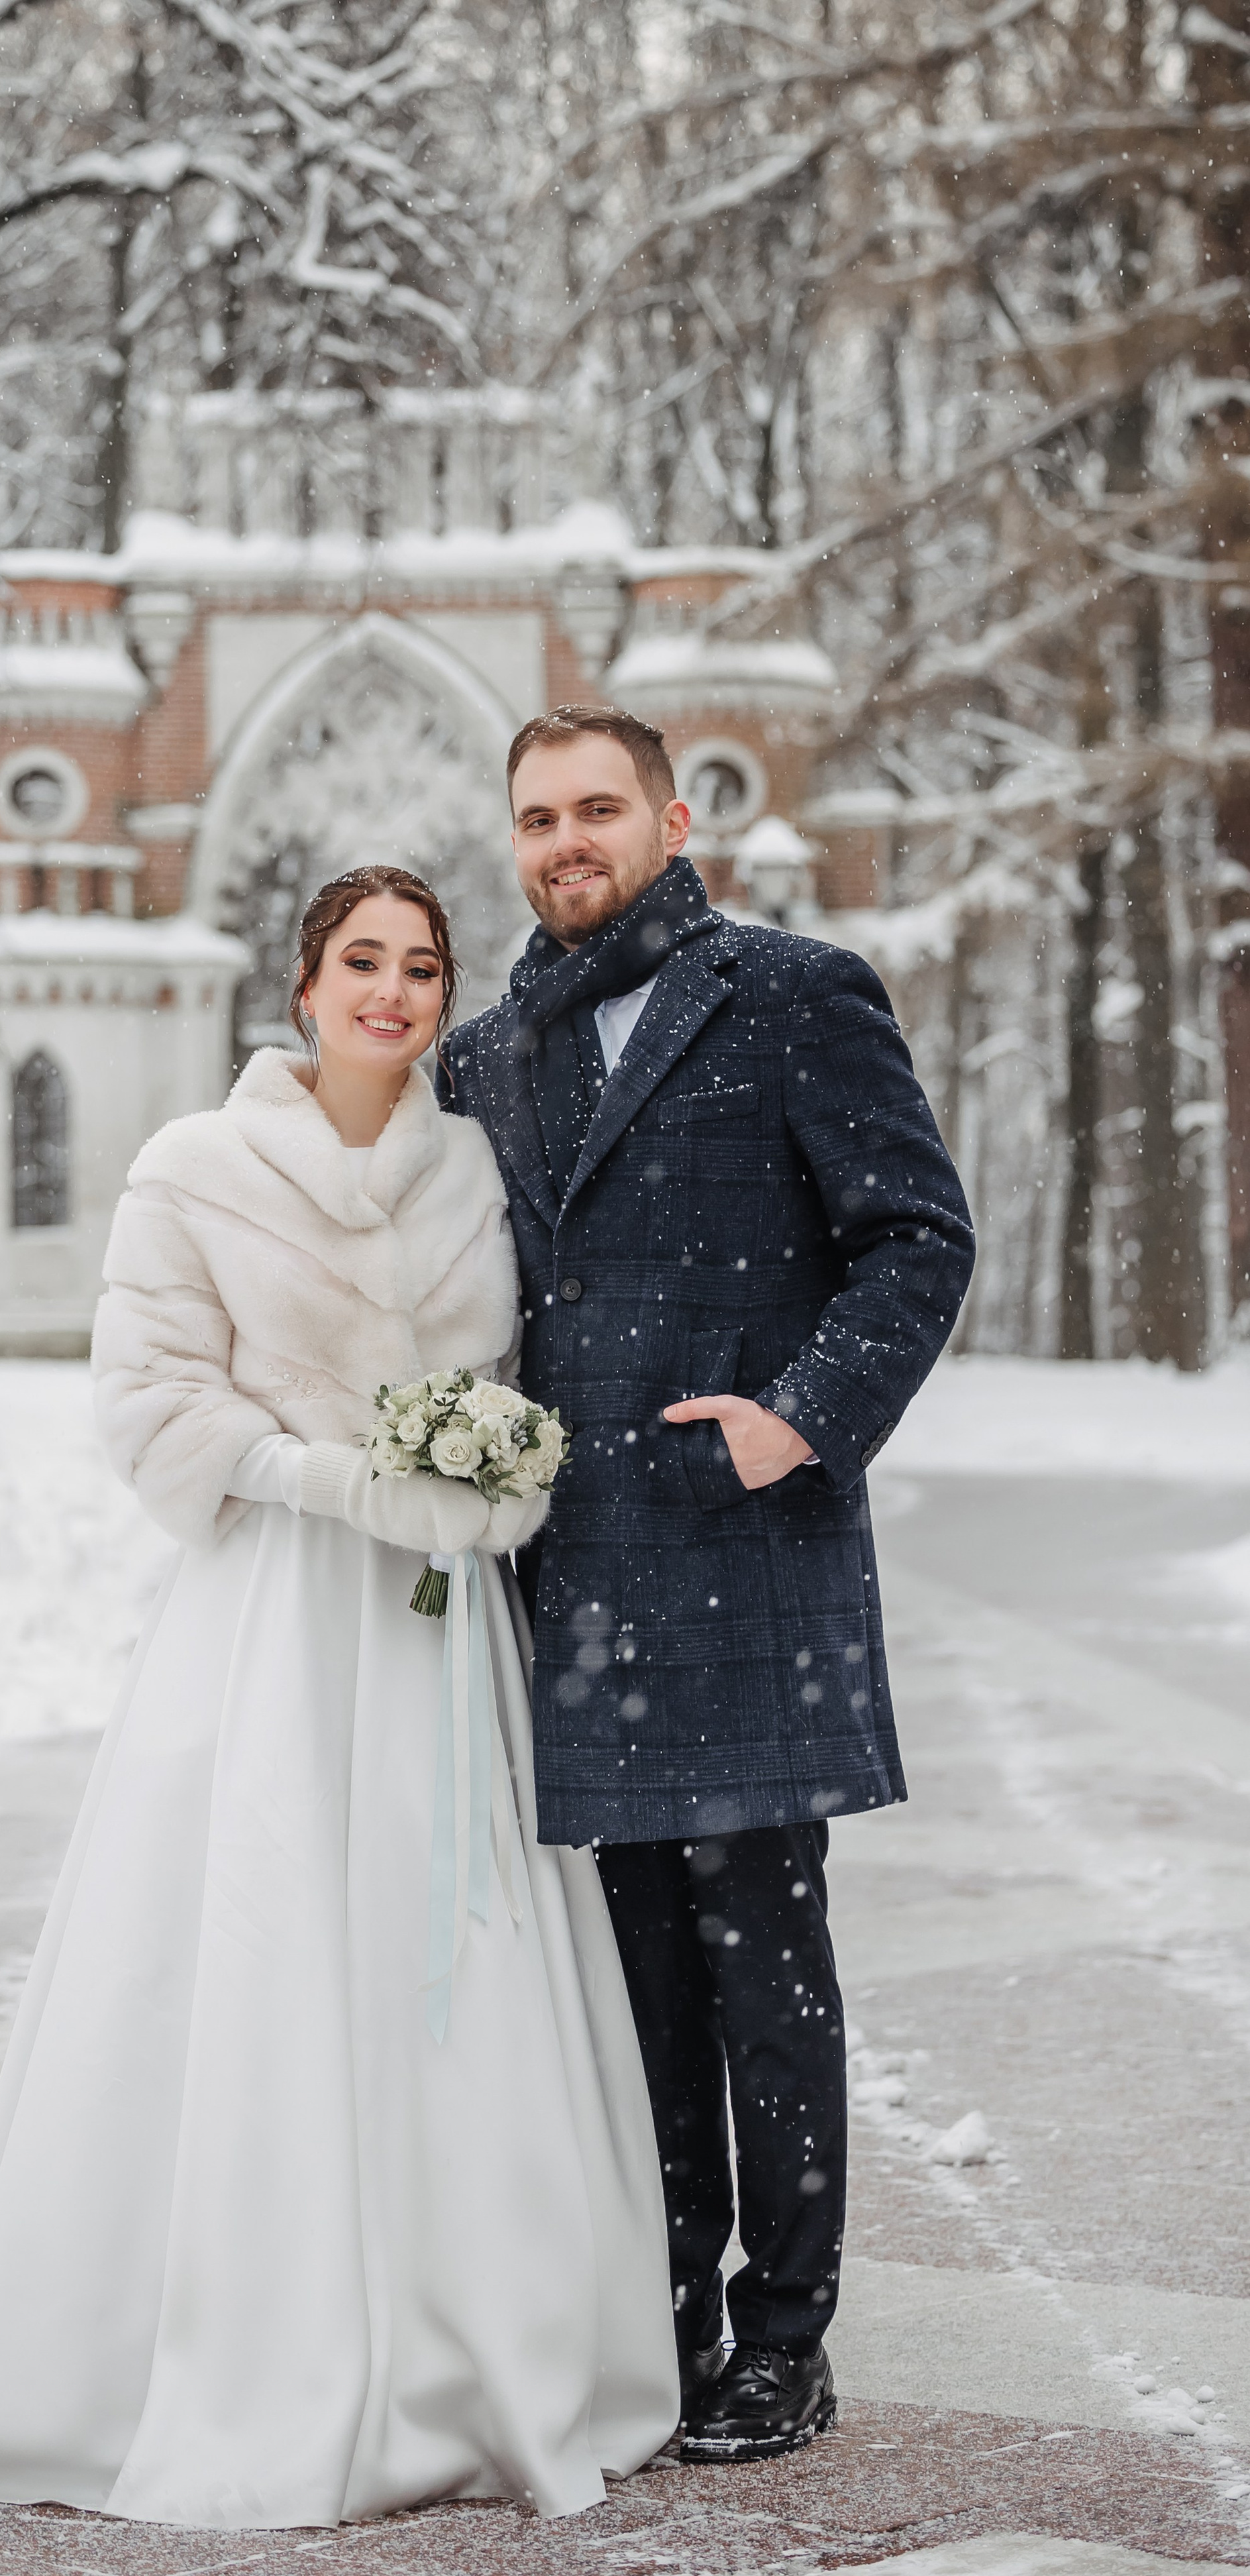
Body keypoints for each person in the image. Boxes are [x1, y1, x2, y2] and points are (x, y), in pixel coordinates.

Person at [0, 863, 682, 2526]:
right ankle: (228, 2315)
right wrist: (337, 1483)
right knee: (256, 1931)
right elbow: (149, 1402)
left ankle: (468, 2325)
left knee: (452, 1947)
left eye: (421, 967)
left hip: (442, 1630)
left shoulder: (479, 1168)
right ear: (301, 985)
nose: (391, 992)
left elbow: (515, 1385)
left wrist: (495, 1492)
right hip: (271, 1612)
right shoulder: (193, 1168)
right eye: (362, 962)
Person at [442, 708, 975, 2461]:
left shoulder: (794, 995)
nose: (567, 841)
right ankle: (666, 2311)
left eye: (598, 808)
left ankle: (785, 2333)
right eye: (539, 817)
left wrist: (799, 1418)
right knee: (636, 1983)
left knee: (765, 1968)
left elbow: (916, 1238)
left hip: (745, 1558)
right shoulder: (487, 1055)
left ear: (669, 822)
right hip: (576, 1577)